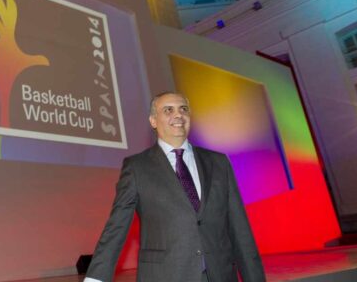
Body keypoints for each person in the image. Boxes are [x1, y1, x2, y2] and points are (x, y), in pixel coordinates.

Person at [84, 92, 265, 282]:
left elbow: (239, 228)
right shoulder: (137, 167)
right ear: (153, 121)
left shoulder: (218, 162)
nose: (178, 115)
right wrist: (95, 279)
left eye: (183, 109)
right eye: (168, 110)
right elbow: (117, 226)